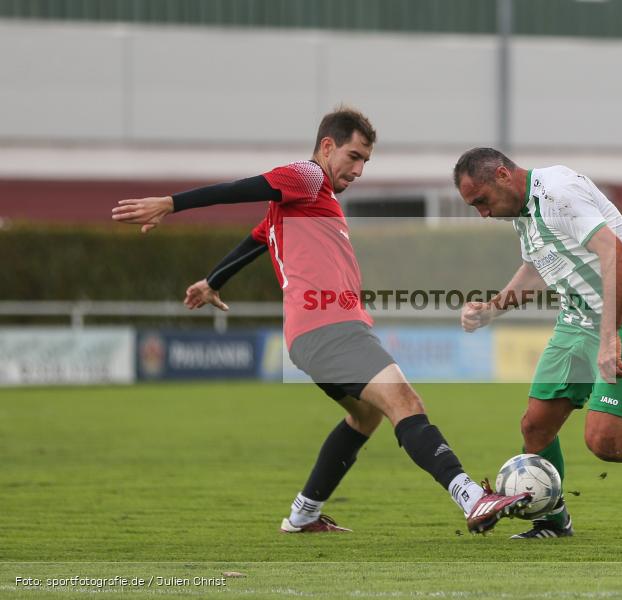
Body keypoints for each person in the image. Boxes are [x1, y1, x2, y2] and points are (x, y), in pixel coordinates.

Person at [111, 109, 530, 535]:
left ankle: (303, 514)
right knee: (405, 403)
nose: (359, 170)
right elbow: (244, 187)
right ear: (327, 147)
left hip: (312, 335)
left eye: (366, 161)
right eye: (354, 156)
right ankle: (472, 498)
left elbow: (256, 240)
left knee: (366, 418)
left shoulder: (300, 206)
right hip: (331, 328)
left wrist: (212, 281)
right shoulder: (309, 176)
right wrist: (172, 204)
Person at [453, 147, 622, 539]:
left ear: (502, 175)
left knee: (604, 441)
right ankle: (553, 520)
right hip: (575, 321)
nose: (483, 213)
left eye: (482, 201)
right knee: (536, 425)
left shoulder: (558, 194)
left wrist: (609, 338)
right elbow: (536, 268)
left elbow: (616, 255)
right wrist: (491, 309)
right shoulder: (522, 211)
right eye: (474, 207)